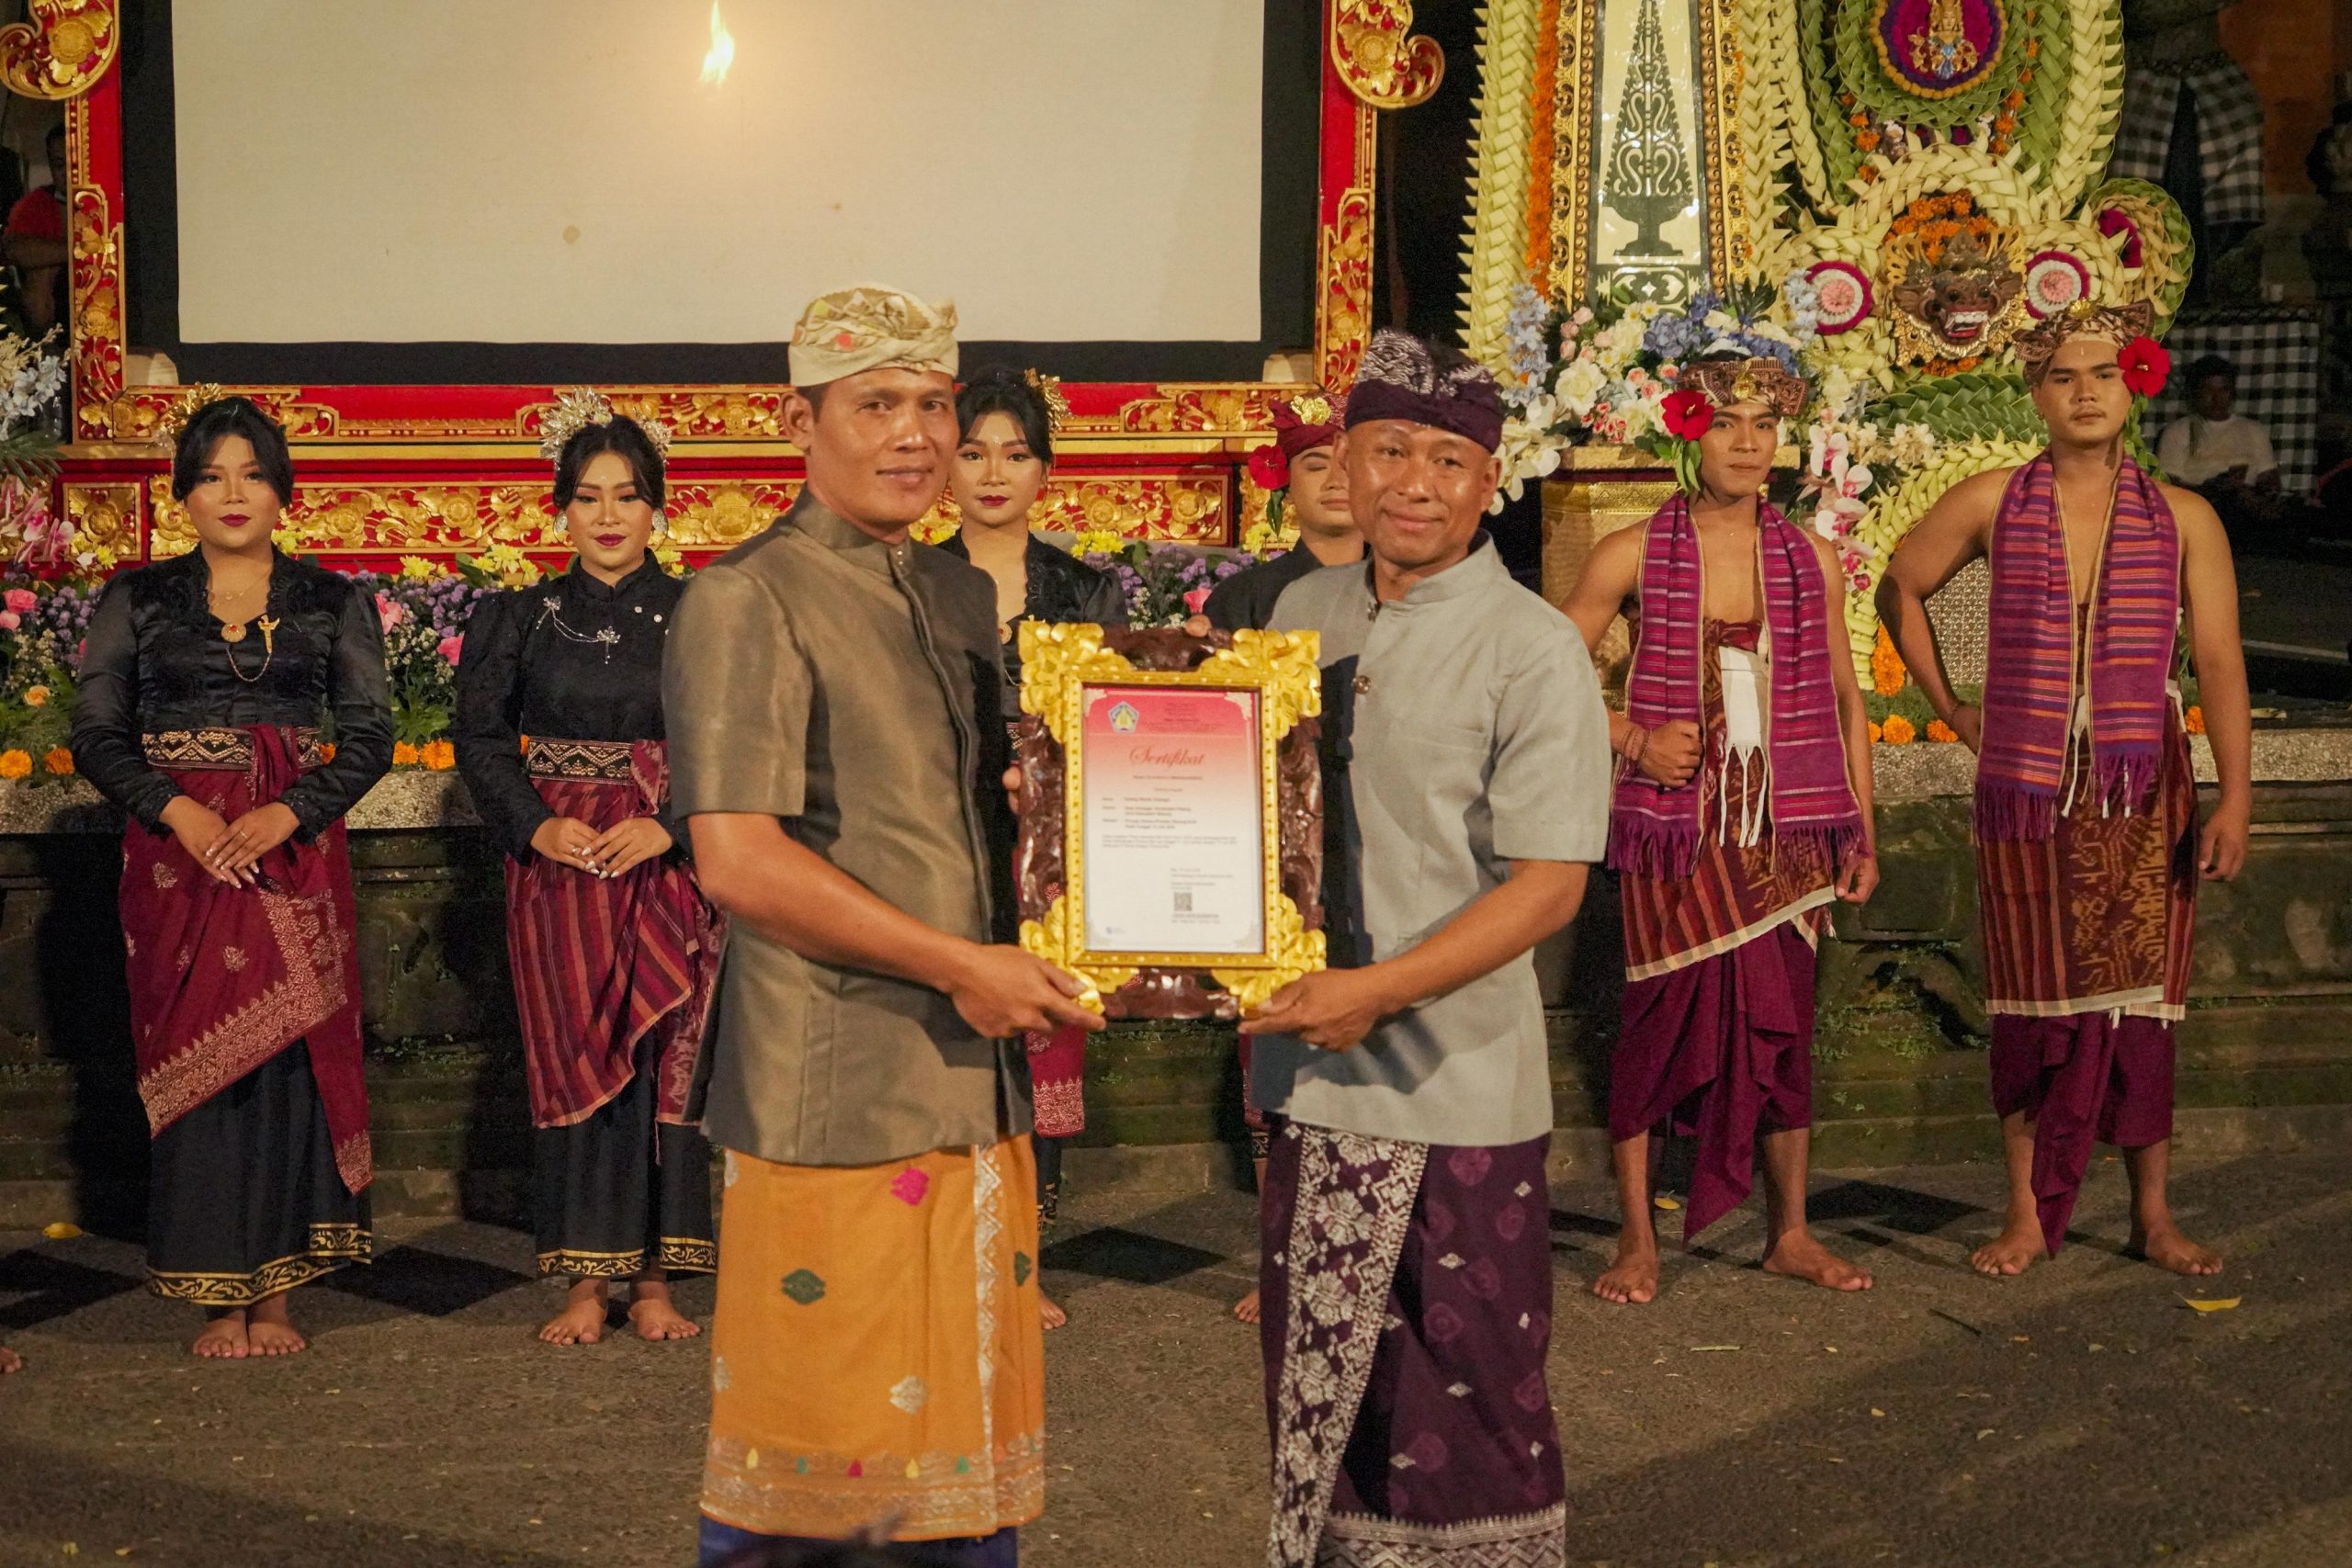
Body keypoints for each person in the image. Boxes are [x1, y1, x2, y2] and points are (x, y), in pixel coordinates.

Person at [668, 284, 1100, 1567]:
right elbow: (738, 856)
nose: (915, 435)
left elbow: (967, 819)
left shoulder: (958, 593)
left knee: (967, 1456)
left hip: (977, 1070)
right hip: (838, 1077)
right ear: (799, 420)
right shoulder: (749, 597)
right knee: (823, 1468)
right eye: (877, 405)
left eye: (933, 404)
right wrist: (960, 963)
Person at [1243, 329, 1611, 1568]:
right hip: (1305, 1076)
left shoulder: (1533, 647)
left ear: (1488, 484)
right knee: (1325, 1400)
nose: (1413, 481)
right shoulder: (1301, 610)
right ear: (1339, 461)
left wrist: (1377, 992)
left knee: (1470, 1404)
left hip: (1456, 1087)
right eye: (1388, 448)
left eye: (1448, 460)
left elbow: (1550, 884)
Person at [1878, 299, 2252, 1279]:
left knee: (2140, 1005)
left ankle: (2151, 1213)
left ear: (2134, 382)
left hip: (2143, 785)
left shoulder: (2183, 517)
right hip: (2028, 788)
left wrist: (2237, 797)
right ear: (2035, 394)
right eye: (2061, 377)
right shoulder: (1994, 499)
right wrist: (1954, 708)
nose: (2083, 393)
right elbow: (1900, 582)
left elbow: (2217, 661)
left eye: (2100, 374)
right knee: (2032, 1000)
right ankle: (2024, 1214)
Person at [71, 395, 392, 1356]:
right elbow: (95, 731)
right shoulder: (136, 599)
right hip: (179, 860)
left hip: (290, 853)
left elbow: (370, 736)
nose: (233, 492)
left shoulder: (333, 601)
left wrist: (284, 811)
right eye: (211, 474)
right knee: (202, 1054)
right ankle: (221, 1291)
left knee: (290, 1052)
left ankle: (283, 1294)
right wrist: (181, 811)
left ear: (283, 490)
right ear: (183, 494)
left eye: (252, 472)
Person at [1565, 355, 1878, 1305]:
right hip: (1676, 829)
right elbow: (1542, 669)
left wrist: (1859, 830)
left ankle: (1789, 1231)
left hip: (1789, 830)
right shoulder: (1629, 550)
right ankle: (1635, 1241)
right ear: (1688, 433)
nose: (1747, 443)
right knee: (1656, 1027)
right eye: (1727, 423)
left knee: (1782, 1036)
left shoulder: (1808, 556)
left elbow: (1843, 698)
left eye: (1764, 427)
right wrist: (1629, 737)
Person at [454, 394, 722, 1348]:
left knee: (660, 1068)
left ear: (658, 509)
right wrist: (534, 825)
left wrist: (671, 827)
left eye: (627, 497)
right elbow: (479, 740)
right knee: (573, 1060)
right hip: (562, 869)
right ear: (559, 511)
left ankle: (655, 1278)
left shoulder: (703, 613)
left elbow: (742, 742)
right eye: (588, 498)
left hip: (662, 863)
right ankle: (580, 1278)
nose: (608, 516)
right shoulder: (520, 619)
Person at [937, 364, 1125, 1333]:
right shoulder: (912, 583)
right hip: (943, 844)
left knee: (1038, 1047)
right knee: (951, 1050)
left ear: (1045, 471)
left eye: (1015, 453)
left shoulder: (1083, 589)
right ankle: (939, 1259)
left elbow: (1118, 726)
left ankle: (1020, 1262)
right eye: (972, 453)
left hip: (1052, 853)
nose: (993, 472)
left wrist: (1048, 785)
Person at [1195, 390, 1356, 1325]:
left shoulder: (1408, 583)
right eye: (1313, 464)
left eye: (1348, 461)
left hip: (1380, 847)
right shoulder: (1247, 599)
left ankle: (1370, 1250)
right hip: (1273, 856)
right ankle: (1284, 1259)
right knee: (1278, 1064)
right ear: (1282, 490)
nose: (1335, 480)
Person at [1203, 390, 1360, 634]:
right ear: (1286, 487)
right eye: (1316, 466)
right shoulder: (1242, 599)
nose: (1336, 481)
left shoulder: (1412, 592)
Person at [2154, 355, 2285, 537]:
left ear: (2232, 393)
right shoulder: (2178, 431)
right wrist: (2213, 488)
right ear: (2196, 393)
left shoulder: (2254, 430)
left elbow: (2269, 479)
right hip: (2200, 504)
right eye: (2208, 390)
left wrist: (2258, 490)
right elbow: (2167, 485)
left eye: (2223, 390)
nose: (2216, 399)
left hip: (2246, 508)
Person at [2, 120, 67, 340]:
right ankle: (47, 353)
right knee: (41, 271)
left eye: (75, 164)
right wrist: (77, 251)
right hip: (55, 299)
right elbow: (13, 249)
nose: (68, 173)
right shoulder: (38, 203)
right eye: (60, 165)